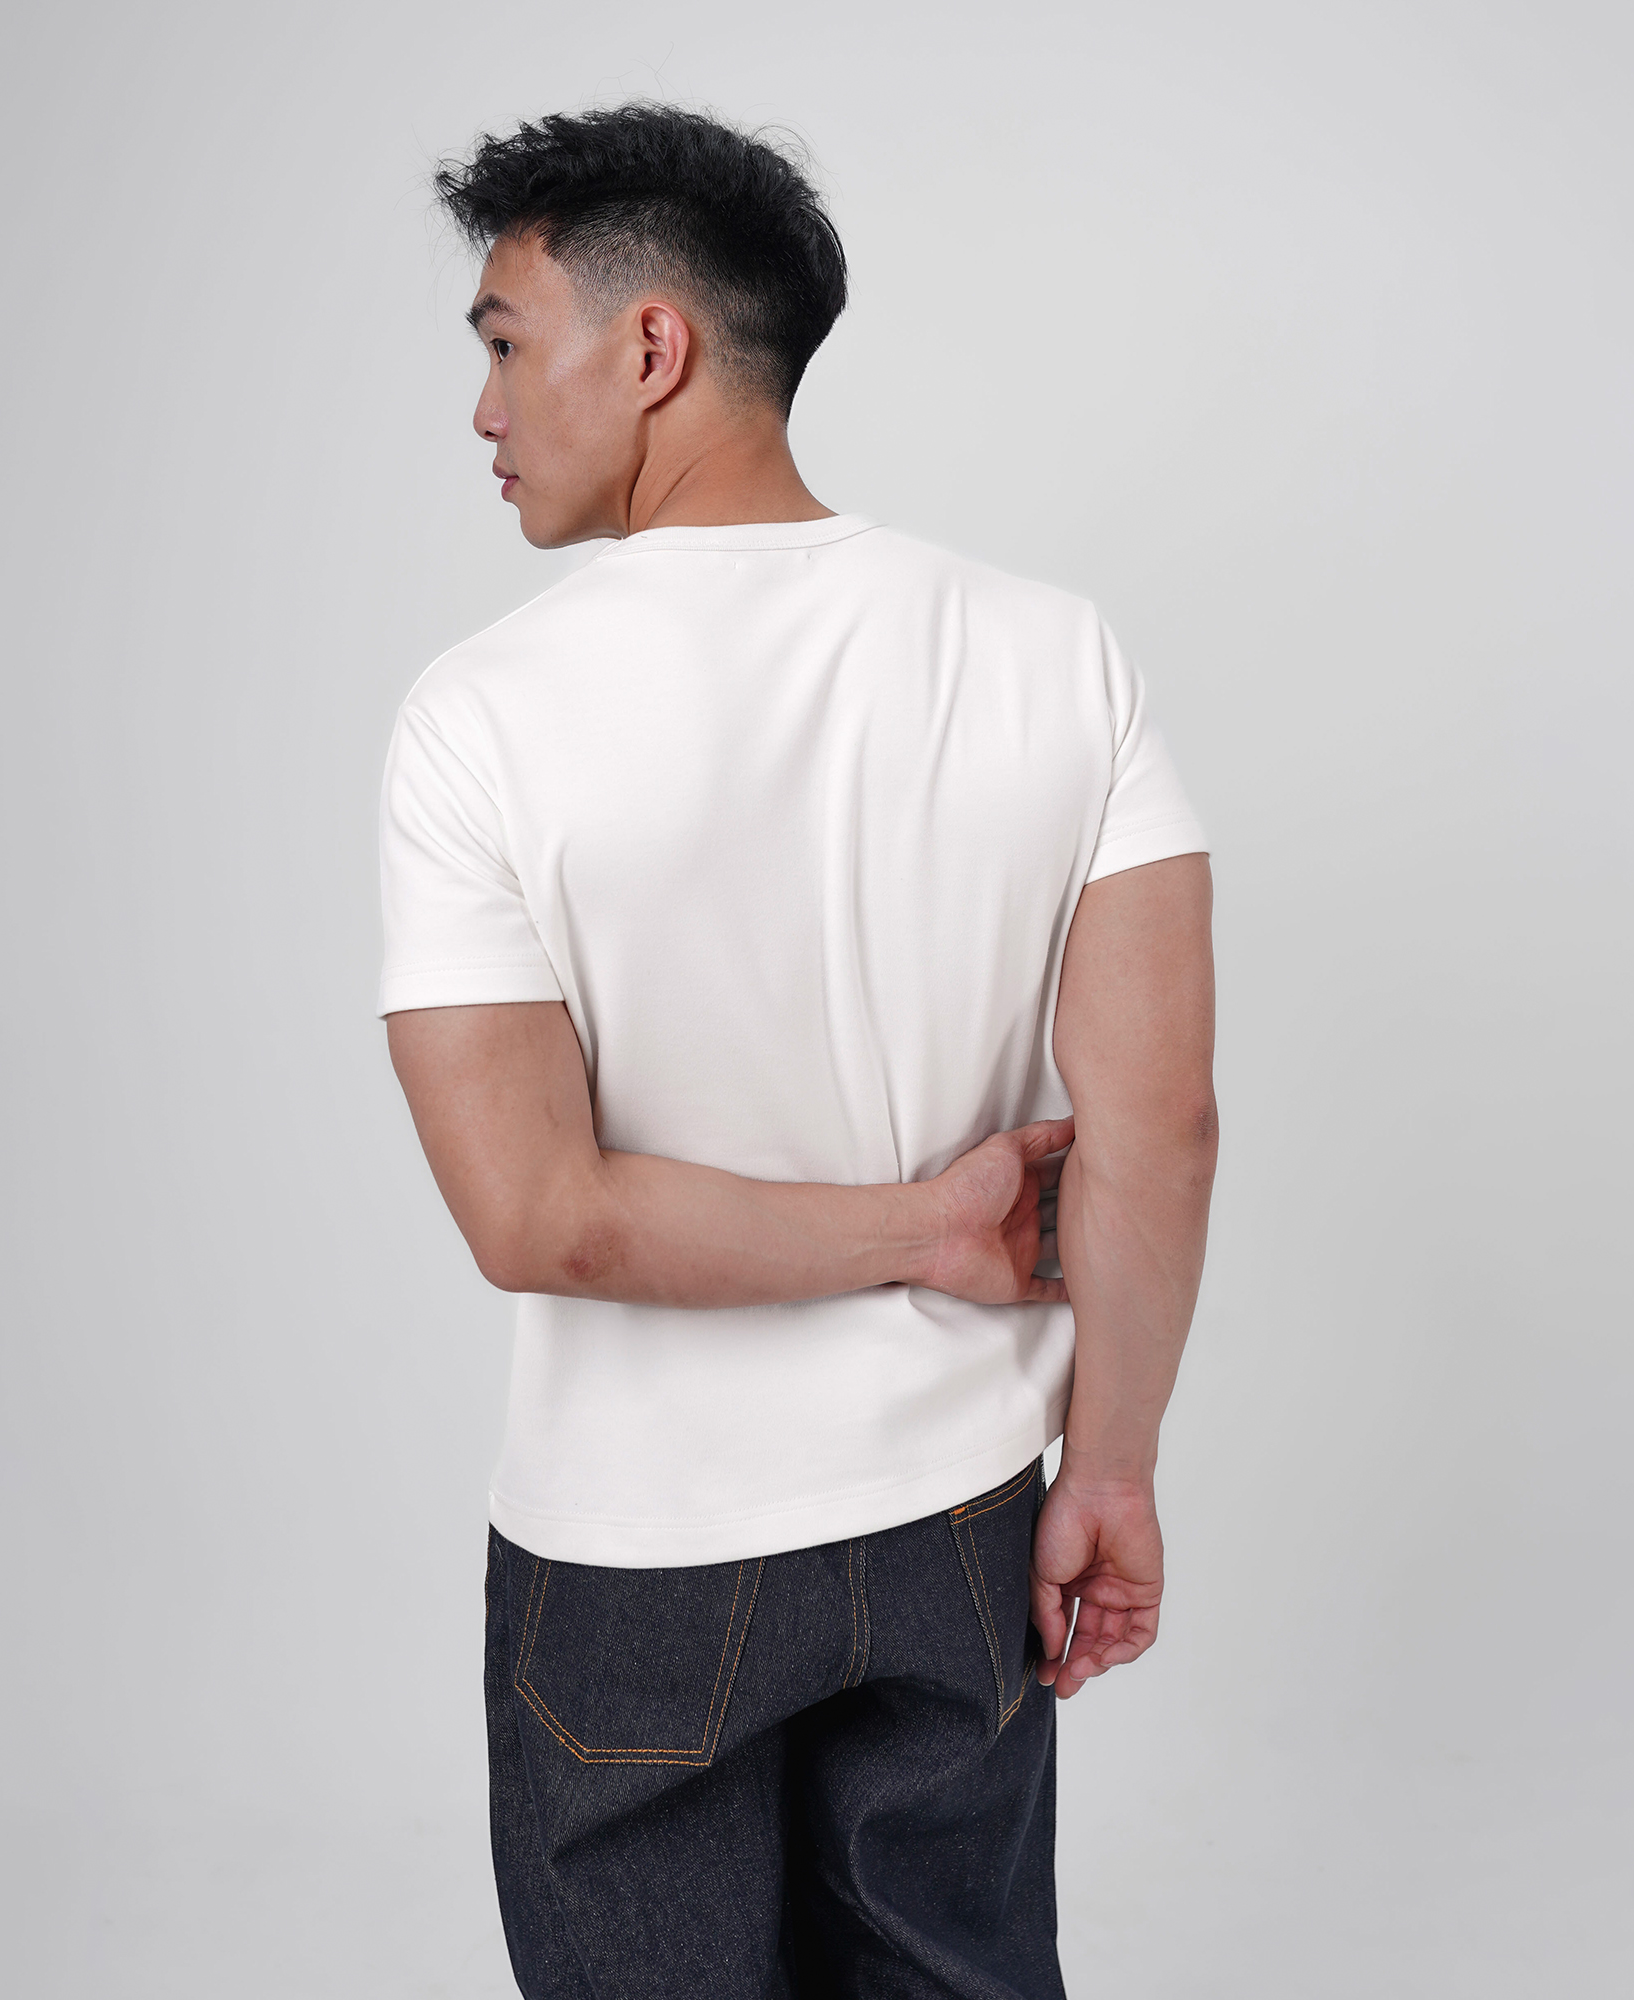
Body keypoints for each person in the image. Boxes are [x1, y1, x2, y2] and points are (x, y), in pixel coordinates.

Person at [377, 103, 1217, 1999]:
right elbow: (1162, 1120)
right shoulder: (1056, 655)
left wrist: (923, 1230)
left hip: (637, 1551)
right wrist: (1112, 1465)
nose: (485, 410)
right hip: (963, 1520)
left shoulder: (480, 717)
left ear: (650, 344)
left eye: (506, 343)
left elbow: (537, 1215)